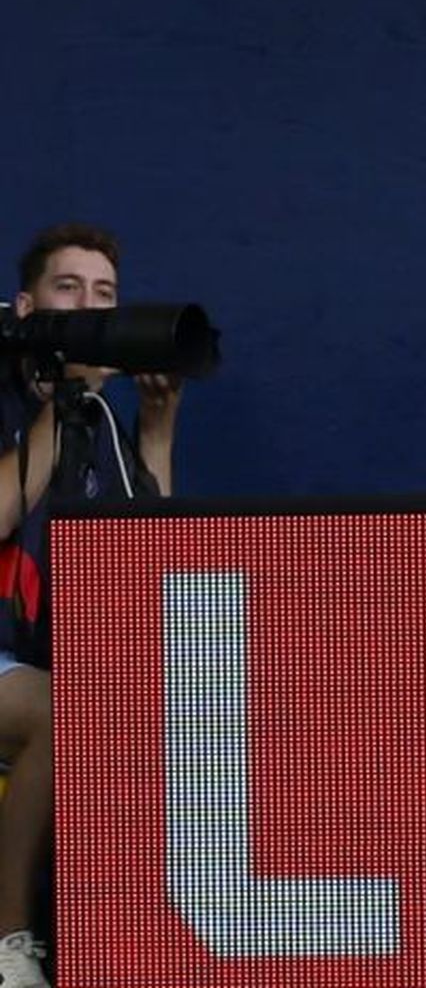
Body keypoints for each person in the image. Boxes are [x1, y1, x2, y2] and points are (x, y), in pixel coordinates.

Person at [0, 222, 184, 988]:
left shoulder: (102, 420)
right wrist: (60, 398)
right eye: (68, 289)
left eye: (103, 294)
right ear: (27, 304)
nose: (87, 305)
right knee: (67, 709)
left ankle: (125, 943)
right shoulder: (10, 393)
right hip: (13, 666)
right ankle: (9, 937)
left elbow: (152, 559)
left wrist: (157, 429)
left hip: (47, 662)